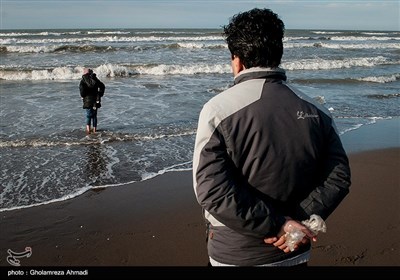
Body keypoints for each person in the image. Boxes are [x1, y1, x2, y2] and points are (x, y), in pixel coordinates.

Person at [192, 8, 351, 266]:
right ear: (278, 54)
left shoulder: (217, 110)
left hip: (236, 254)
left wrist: (279, 224)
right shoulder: (316, 110)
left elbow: (212, 191)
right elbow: (338, 176)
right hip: (294, 250)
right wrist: (297, 223)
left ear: (237, 60)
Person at [79, 68, 105, 134]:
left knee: (88, 115)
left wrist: (83, 95)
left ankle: (88, 130)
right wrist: (100, 94)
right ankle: (94, 130)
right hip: (95, 100)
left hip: (87, 100)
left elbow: (82, 90)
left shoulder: (83, 80)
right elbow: (102, 86)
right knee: (94, 115)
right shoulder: (95, 79)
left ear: (84, 73)